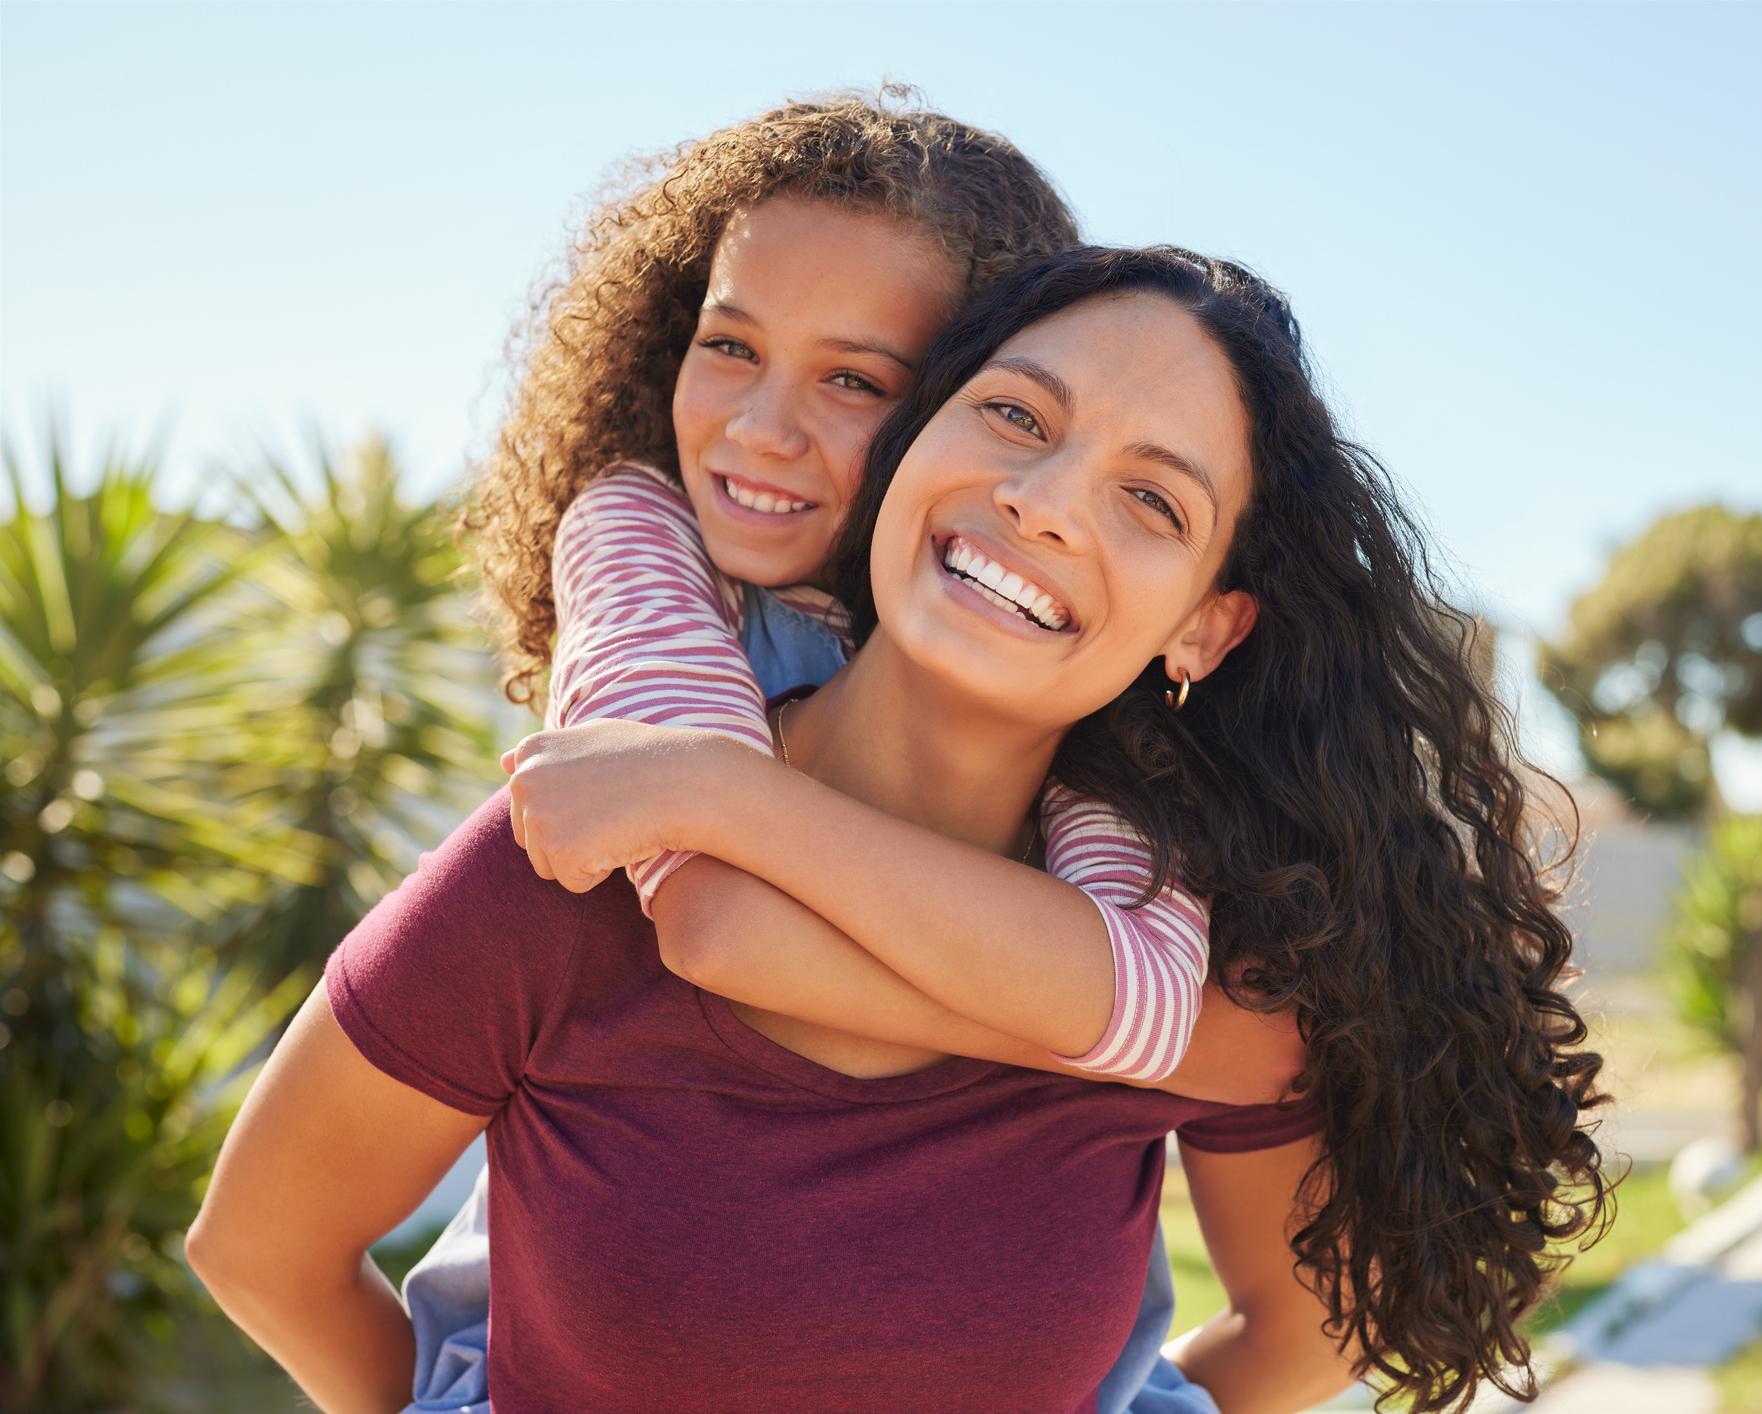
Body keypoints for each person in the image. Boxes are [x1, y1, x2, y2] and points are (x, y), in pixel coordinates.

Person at [190, 245, 1609, 1413]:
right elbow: (261, 1245)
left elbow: (1298, 1342)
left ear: (1205, 626)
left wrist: (735, 796)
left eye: (1150, 499)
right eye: (1014, 415)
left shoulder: (1201, 950)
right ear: (911, 438)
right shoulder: (586, 854)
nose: (1042, 503)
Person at [414, 92, 1279, 1414]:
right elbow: (718, 918)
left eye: (856, 380)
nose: (762, 429)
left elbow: (1148, 991)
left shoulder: (1053, 699)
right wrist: (1107, 1036)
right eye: (731, 345)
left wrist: (1149, 1031)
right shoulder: (640, 543)